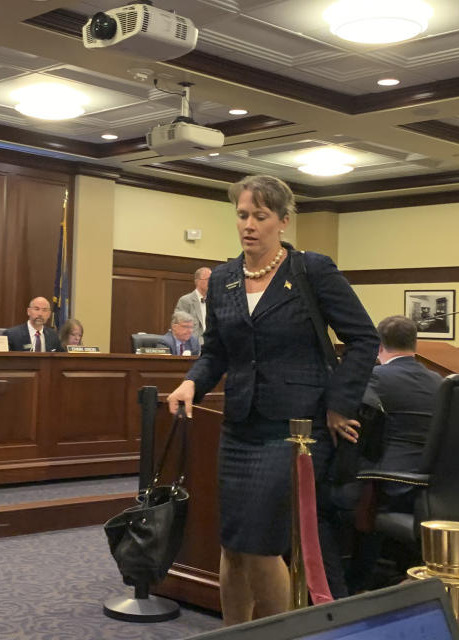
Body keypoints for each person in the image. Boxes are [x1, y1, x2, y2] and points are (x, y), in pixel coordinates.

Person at [167, 175, 378, 624]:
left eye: (260, 216)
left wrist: (340, 403)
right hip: (240, 427)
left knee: (262, 546)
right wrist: (192, 383)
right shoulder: (223, 277)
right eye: (242, 215)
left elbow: (363, 338)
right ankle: (234, 634)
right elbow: (217, 351)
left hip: (294, 431)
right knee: (232, 544)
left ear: (282, 221)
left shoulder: (311, 270)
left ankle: (279, 635)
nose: (249, 225)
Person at [335, 315, 443, 592]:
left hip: (389, 479)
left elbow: (355, 418)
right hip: (436, 480)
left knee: (337, 489)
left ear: (379, 345)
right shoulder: (439, 380)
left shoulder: (376, 377)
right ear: (415, 343)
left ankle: (354, 579)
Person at [175, 267, 211, 344]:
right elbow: (180, 328)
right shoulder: (185, 301)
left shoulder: (214, 301)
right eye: (208, 279)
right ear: (198, 281)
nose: (211, 282)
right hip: (193, 346)